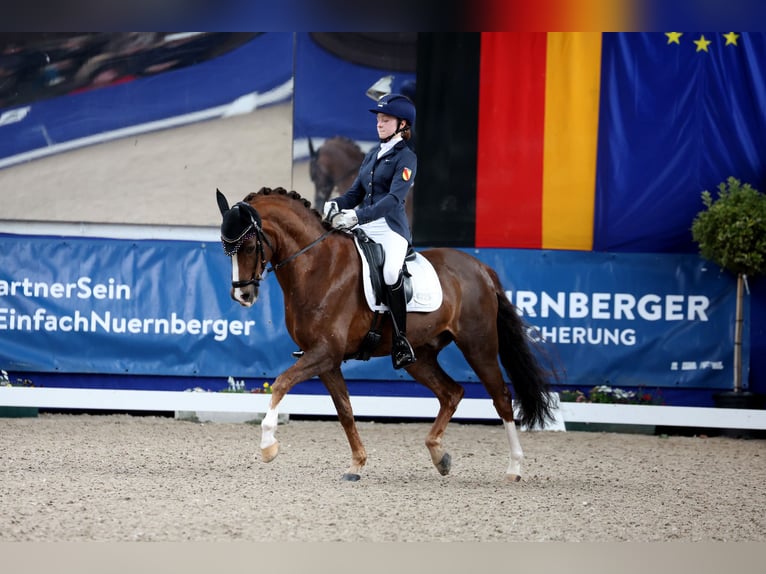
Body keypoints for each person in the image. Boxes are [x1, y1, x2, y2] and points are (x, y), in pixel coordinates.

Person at [324, 93, 418, 369]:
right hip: (364, 224)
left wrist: (356, 215)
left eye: (385, 119)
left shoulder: (406, 158)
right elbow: (355, 192)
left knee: (390, 272)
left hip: (391, 229)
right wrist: (334, 204)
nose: (379, 124)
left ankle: (401, 340)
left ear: (402, 124)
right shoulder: (373, 154)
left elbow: (393, 201)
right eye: (378, 119)